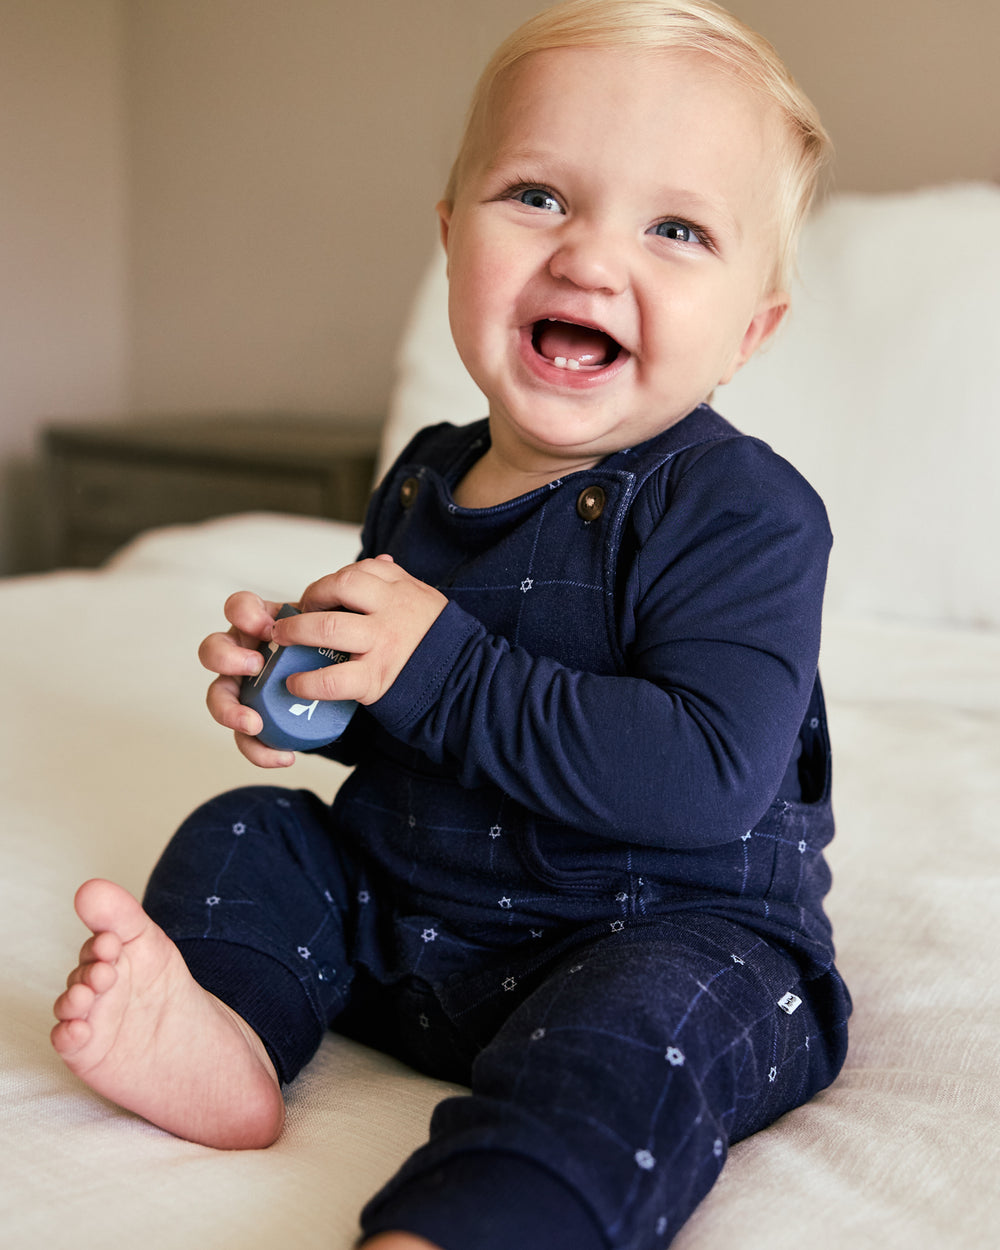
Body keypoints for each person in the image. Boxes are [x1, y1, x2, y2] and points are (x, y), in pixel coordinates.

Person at [51, 2, 852, 1247]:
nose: (590, 258)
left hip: (652, 929)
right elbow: (423, 729)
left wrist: (436, 662)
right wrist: (326, 697)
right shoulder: (425, 478)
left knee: (641, 1029)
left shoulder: (743, 512)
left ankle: (474, 1216)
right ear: (448, 241)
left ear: (749, 329)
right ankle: (225, 1029)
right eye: (537, 197)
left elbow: (704, 777)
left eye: (675, 227)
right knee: (253, 830)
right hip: (421, 925)